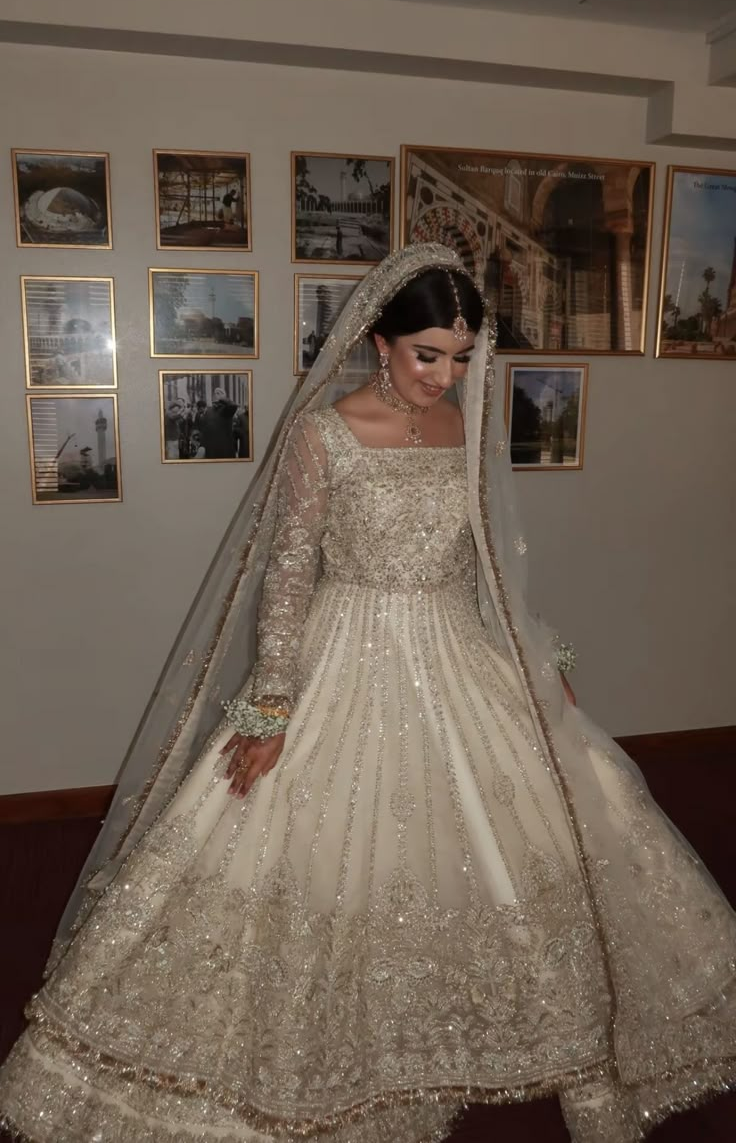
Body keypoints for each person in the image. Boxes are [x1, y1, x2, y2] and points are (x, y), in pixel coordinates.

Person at [1, 244, 734, 1143]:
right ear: (379, 342)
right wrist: (270, 711)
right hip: (345, 653)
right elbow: (288, 578)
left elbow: (486, 564)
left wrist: (540, 656)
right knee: (316, 842)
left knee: (544, 823)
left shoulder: (462, 422)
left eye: (460, 357)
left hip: (455, 651)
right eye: (427, 353)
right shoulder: (325, 433)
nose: (444, 374)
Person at [198, 387, 238, 458]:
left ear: (224, 396)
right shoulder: (208, 411)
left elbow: (233, 405)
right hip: (211, 449)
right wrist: (202, 445)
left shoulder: (226, 410)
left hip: (225, 448)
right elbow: (204, 429)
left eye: (219, 393)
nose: (216, 394)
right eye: (215, 393)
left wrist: (223, 398)